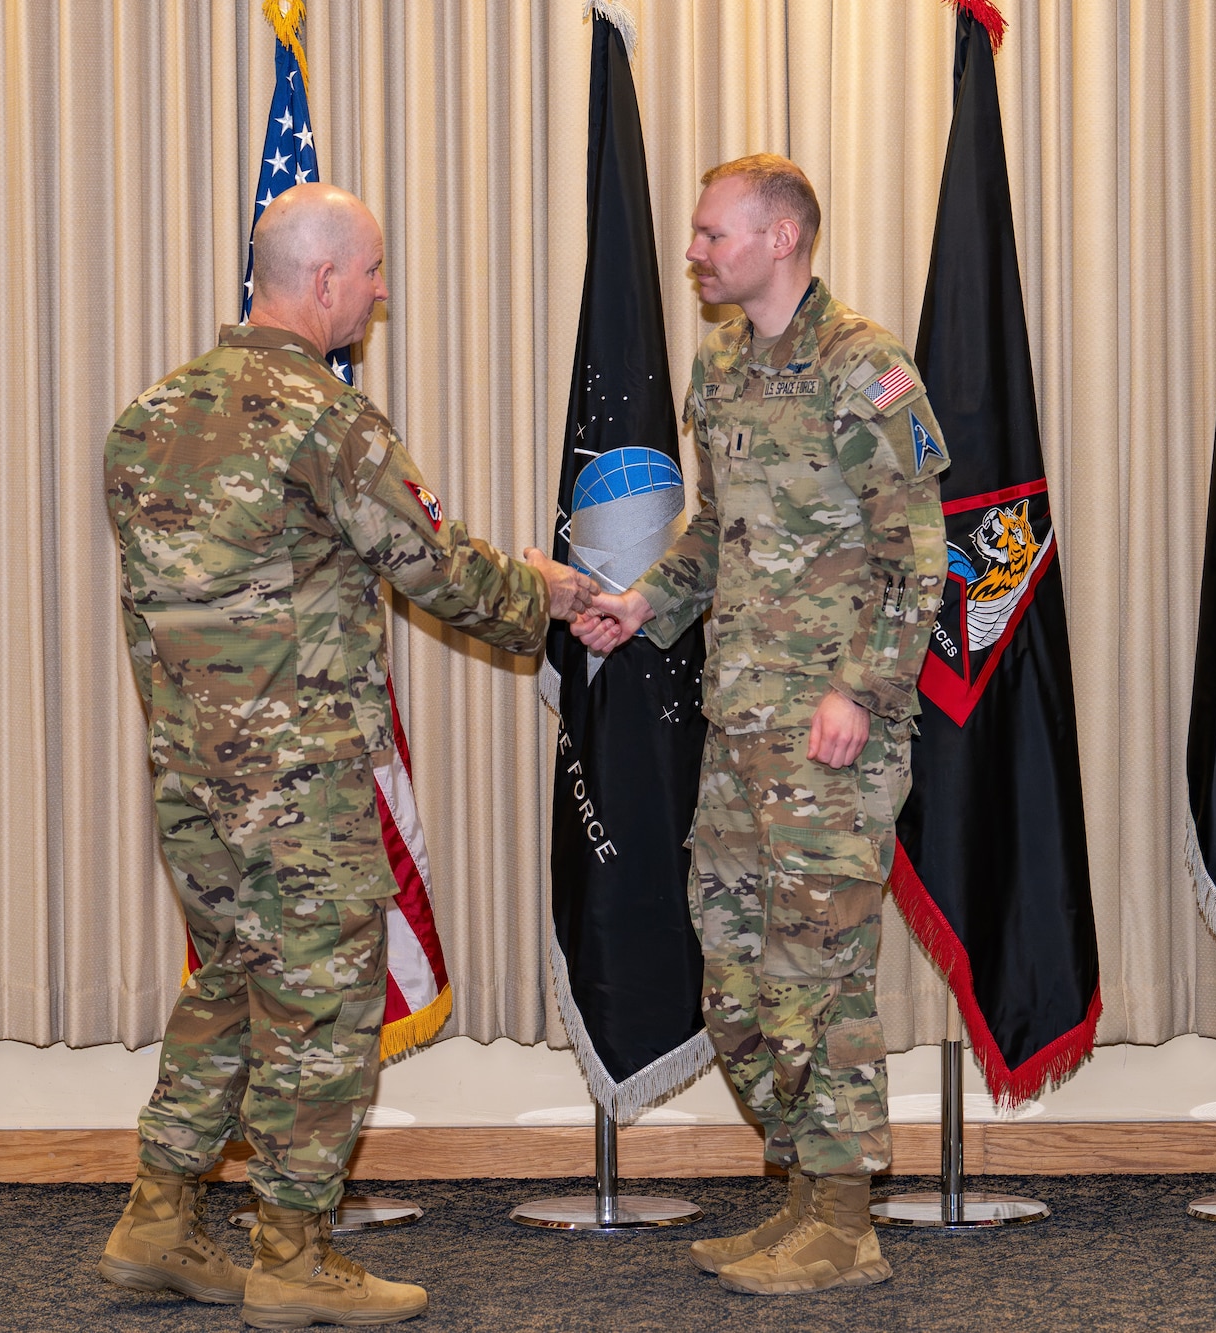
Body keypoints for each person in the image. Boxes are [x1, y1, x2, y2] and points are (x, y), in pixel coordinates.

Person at [100, 182, 593, 1327]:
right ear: (321, 280)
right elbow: (437, 568)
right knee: (322, 998)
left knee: (226, 981)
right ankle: (293, 1252)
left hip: (190, 776)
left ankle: (160, 1215)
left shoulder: (148, 414)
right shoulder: (321, 417)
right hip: (299, 779)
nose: (379, 291)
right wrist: (548, 594)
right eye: (370, 272)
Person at [573, 154, 949, 1296]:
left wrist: (860, 691)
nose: (693, 252)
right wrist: (645, 605)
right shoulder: (722, 366)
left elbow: (916, 553)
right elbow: (715, 536)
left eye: (711, 235)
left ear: (780, 238)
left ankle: (843, 1223)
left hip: (832, 733)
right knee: (737, 979)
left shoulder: (863, 367)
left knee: (816, 975)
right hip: (738, 731)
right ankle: (799, 1195)